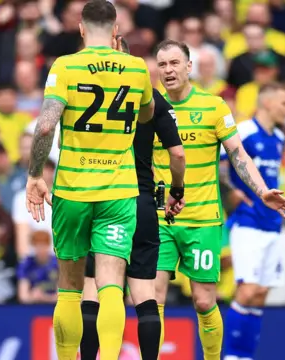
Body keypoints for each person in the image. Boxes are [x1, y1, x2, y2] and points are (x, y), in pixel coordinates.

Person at [24, 1, 157, 359]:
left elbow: (47, 124)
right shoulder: (137, 68)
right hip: (119, 190)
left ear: (81, 29)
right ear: (116, 30)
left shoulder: (66, 66)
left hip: (72, 189)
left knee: (70, 286)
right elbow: (147, 113)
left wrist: (35, 174)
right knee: (112, 284)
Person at [152, 39, 285, 360]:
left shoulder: (214, 107)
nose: (168, 70)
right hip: (160, 219)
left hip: (203, 220)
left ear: (189, 67)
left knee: (204, 301)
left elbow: (238, 155)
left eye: (174, 63)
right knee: (153, 298)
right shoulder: (150, 108)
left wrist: (262, 192)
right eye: (162, 65)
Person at [79, 39, 186, 360]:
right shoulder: (150, 97)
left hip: (100, 200)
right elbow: (177, 154)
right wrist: (176, 190)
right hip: (141, 200)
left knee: (93, 289)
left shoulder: (87, 92)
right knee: (143, 292)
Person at [220, 83, 285, 360]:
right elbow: (217, 160)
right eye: (284, 103)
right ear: (268, 103)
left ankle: (245, 355)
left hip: (272, 223)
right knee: (247, 290)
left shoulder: (280, 138)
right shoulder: (246, 130)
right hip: (247, 221)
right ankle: (232, 356)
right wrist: (230, 193)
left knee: (261, 292)